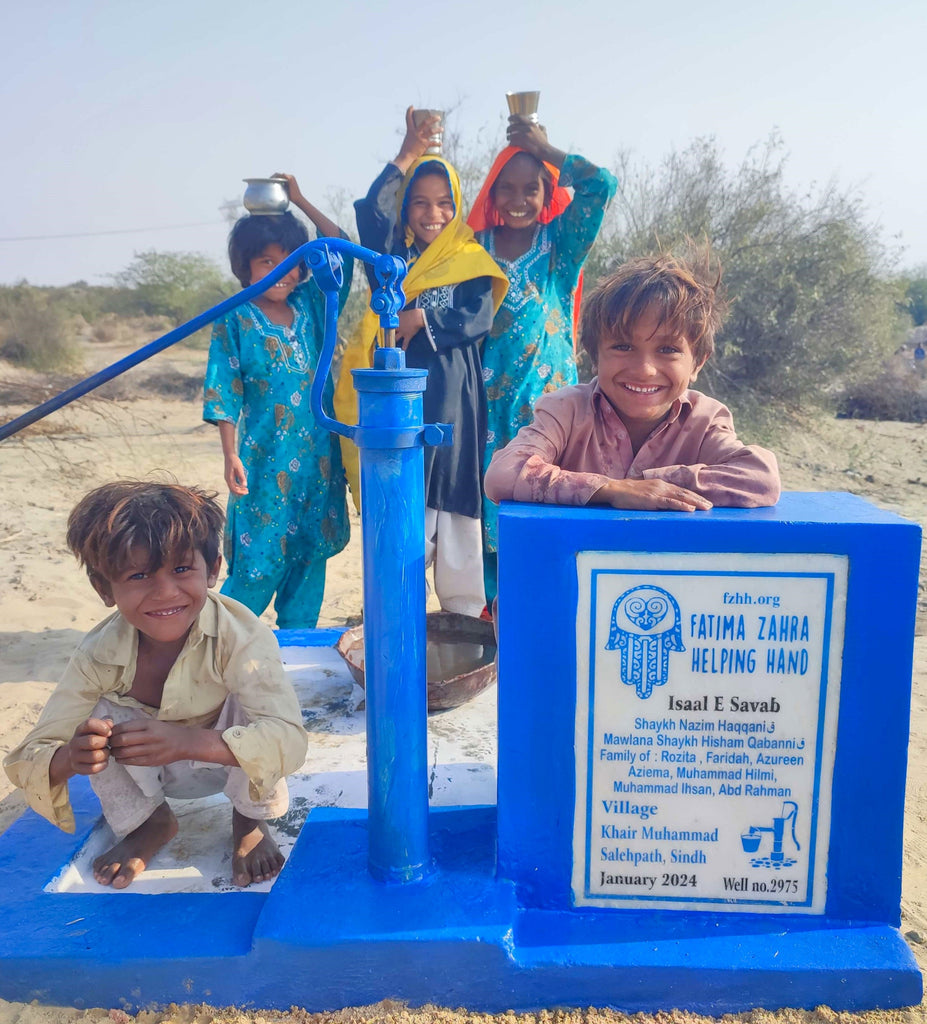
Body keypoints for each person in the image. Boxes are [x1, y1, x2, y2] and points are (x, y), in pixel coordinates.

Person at [3, 481, 308, 890]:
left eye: (182, 569)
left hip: (229, 761)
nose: (166, 592)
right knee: (95, 718)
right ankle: (151, 822)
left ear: (214, 568)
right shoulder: (98, 654)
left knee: (251, 699)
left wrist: (185, 741)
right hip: (148, 769)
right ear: (103, 588)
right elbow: (26, 759)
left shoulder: (243, 636)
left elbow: (289, 739)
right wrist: (71, 757)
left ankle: (249, 820)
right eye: (138, 575)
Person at [334, 108, 508, 617]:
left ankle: (462, 619)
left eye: (443, 203)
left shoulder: (470, 257)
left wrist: (419, 322)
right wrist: (409, 150)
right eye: (419, 203)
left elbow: (478, 316)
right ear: (407, 209)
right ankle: (392, 621)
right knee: (403, 502)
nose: (432, 213)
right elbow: (370, 211)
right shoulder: (393, 261)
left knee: (454, 507)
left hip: (454, 399)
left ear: (456, 208)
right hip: (399, 403)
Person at [484, 254, 781, 516]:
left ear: (698, 362)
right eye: (623, 347)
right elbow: (503, 473)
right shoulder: (565, 410)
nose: (645, 370)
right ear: (594, 356)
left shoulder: (704, 420)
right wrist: (611, 490)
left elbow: (760, 477)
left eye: (667, 350)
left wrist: (650, 485)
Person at [468, 118, 617, 603]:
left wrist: (543, 148)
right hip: (487, 409)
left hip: (551, 408)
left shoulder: (560, 245)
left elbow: (601, 185)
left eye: (530, 188)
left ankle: (556, 610)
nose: (517, 199)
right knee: (495, 514)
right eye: (506, 188)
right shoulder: (474, 248)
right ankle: (498, 622)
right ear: (492, 193)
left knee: (557, 505)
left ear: (546, 190)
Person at [203, 175, 352, 629]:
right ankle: (220, 644)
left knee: (309, 556)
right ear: (245, 266)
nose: (280, 272)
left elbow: (341, 246)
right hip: (264, 463)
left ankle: (295, 651)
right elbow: (223, 388)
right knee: (255, 565)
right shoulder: (234, 317)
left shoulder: (313, 304)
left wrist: (302, 200)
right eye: (266, 261)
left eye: (290, 261)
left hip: (318, 463)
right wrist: (230, 454)